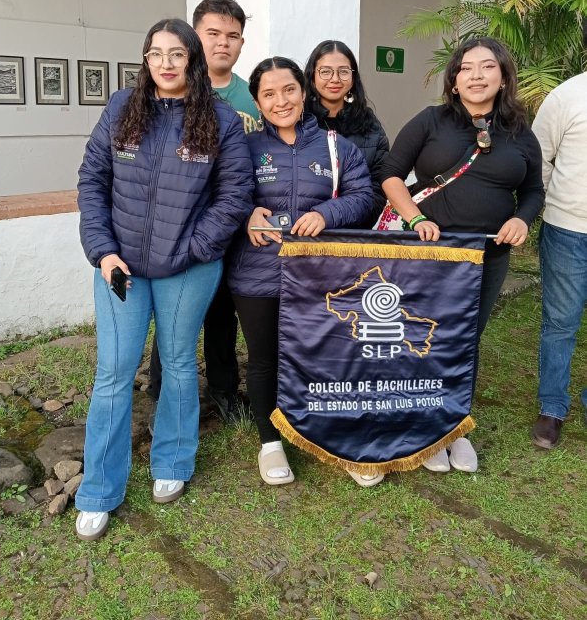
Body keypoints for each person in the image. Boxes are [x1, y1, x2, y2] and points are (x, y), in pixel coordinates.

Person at [75, 18, 253, 540]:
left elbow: (235, 195)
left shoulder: (219, 118)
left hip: (188, 268)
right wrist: (103, 252)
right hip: (122, 267)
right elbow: (92, 181)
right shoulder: (120, 108)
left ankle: (172, 461)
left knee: (177, 363)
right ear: (145, 59)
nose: (166, 63)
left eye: (177, 54)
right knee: (114, 371)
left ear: (193, 59)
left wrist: (195, 249)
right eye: (156, 53)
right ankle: (99, 490)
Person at [381, 36, 544, 473]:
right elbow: (391, 175)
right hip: (432, 254)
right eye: (466, 68)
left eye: (487, 66)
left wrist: (522, 220)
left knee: (466, 340)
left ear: (503, 77)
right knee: (426, 338)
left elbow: (533, 189)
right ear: (453, 81)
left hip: (488, 257)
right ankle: (424, 425)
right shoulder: (431, 121)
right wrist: (415, 218)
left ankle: (455, 425)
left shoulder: (519, 132)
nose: (476, 75)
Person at [228, 56, 374, 487]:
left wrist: (327, 214)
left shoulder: (336, 146)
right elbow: (220, 195)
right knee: (264, 359)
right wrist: (247, 213)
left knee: (324, 357)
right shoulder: (244, 147)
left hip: (320, 273)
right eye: (269, 94)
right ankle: (270, 442)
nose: (281, 101)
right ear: (257, 102)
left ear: (304, 91)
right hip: (257, 273)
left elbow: (363, 195)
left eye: (289, 90)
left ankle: (332, 438)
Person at [148, 0, 260, 425]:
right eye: (212, 33)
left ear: (242, 42)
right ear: (194, 37)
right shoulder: (173, 90)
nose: (222, 43)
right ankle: (161, 390)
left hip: (234, 221)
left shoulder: (251, 97)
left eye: (232, 36)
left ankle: (224, 389)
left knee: (222, 312)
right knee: (172, 312)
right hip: (180, 223)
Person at [530, 43, 587, 448]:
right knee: (561, 322)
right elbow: (539, 158)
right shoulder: (568, 95)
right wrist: (559, 203)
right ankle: (552, 407)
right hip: (569, 230)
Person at [304, 40, 389, 227]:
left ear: (353, 77)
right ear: (312, 76)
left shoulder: (369, 125)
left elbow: (378, 186)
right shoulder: (299, 121)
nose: (335, 79)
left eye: (343, 71)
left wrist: (345, 218)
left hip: (353, 230)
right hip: (304, 227)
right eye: (325, 71)